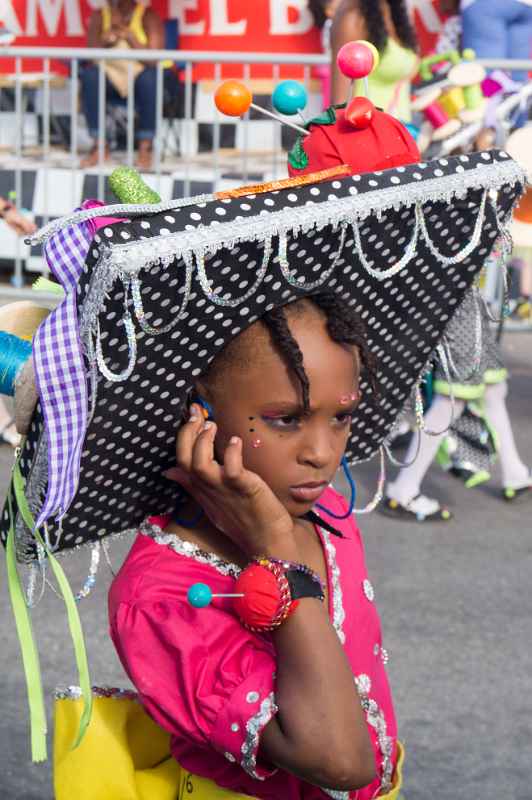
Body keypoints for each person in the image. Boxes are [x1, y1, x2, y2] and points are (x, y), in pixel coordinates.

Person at [384, 290, 532, 521]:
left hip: (465, 296)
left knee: (493, 387)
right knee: (453, 398)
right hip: (453, 294)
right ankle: (403, 489)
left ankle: (516, 474)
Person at [80, 0, 167, 170]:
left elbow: (154, 59)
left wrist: (129, 37)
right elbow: (90, 56)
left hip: (139, 80)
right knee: (91, 76)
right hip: (109, 79)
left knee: (150, 78)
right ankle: (99, 146)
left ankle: (145, 147)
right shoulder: (99, 16)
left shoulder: (148, 15)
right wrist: (105, 41)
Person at [329, 0, 418, 120]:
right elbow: (340, 102)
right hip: (367, 129)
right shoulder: (353, 16)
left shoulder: (392, 10)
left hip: (401, 129)